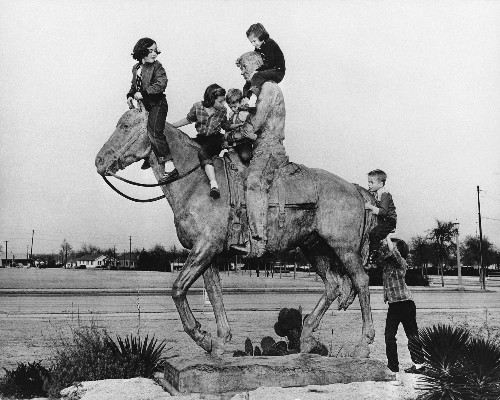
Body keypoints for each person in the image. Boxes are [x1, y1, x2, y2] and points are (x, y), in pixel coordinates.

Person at [229, 51, 288, 258]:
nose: (243, 72)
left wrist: (232, 136)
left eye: (244, 67)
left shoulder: (269, 87)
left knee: (254, 181)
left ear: (255, 64)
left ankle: (258, 242)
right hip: (260, 147)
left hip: (270, 148)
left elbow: (257, 122)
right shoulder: (260, 89)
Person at [171, 84, 241, 199]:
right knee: (183, 146)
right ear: (211, 99)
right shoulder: (198, 107)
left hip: (215, 138)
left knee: (203, 153)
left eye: (224, 101)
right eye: (220, 101)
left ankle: (214, 185)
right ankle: (175, 172)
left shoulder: (222, 110)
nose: (223, 104)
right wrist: (172, 126)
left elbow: (225, 125)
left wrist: (237, 125)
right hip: (202, 138)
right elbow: (189, 119)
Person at [126, 38, 175, 181]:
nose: (154, 54)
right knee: (143, 131)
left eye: (155, 50)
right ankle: (150, 155)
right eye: (150, 51)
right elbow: (134, 85)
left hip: (157, 104)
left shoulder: (157, 67)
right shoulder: (136, 68)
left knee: (154, 131)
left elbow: (161, 84)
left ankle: (170, 164)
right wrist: (130, 95)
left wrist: (145, 93)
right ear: (142, 52)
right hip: (144, 106)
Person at [375, 233, 424, 374]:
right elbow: (383, 254)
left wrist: (388, 237)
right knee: (389, 336)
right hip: (394, 305)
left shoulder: (401, 263)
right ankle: (393, 366)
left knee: (412, 335)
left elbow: (393, 253)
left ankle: (419, 365)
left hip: (406, 304)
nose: (390, 247)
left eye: (393, 246)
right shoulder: (388, 265)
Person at [243, 23, 286, 99]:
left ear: (261, 37)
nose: (253, 44)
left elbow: (270, 64)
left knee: (257, 75)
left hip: (277, 71)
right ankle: (245, 97)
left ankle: (256, 94)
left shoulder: (269, 44)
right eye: (251, 42)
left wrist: (256, 71)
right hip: (269, 70)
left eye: (254, 41)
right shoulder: (261, 46)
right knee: (249, 79)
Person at [364, 169, 397, 262]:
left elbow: (383, 212)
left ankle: (374, 255)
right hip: (384, 220)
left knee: (374, 234)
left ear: (380, 184)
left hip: (389, 221)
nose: (369, 184)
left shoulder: (384, 194)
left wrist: (370, 207)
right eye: (368, 182)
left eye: (371, 182)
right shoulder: (375, 193)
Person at [223, 88, 253, 164]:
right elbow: (228, 128)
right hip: (233, 141)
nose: (233, 109)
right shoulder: (231, 115)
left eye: (235, 106)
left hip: (243, 141)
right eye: (231, 107)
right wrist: (226, 139)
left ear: (241, 102)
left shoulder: (245, 114)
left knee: (245, 156)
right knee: (230, 157)